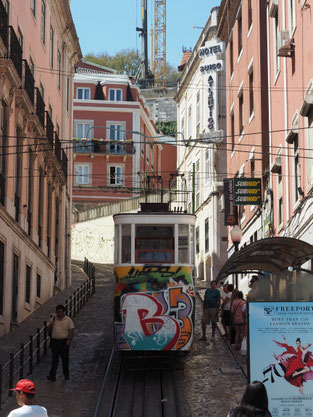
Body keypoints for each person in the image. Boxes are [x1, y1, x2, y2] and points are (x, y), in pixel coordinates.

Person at [46, 304, 74, 381]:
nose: (59, 313)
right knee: (55, 359)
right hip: (54, 342)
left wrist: (69, 339)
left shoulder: (68, 320)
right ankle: (52, 376)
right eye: (58, 312)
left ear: (63, 312)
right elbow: (47, 330)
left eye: (61, 312)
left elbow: (71, 330)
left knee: (65, 359)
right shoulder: (53, 319)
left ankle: (66, 374)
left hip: (64, 342)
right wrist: (51, 324)